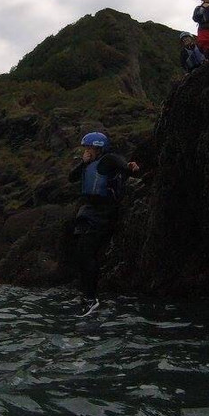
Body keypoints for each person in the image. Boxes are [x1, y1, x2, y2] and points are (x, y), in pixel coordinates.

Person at [67, 132, 139, 315]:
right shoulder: (87, 164)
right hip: (89, 210)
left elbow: (126, 167)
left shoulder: (109, 159)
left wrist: (132, 167)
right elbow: (71, 177)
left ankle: (91, 298)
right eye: (85, 148)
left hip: (104, 211)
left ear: (98, 148)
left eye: (89, 148)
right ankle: (85, 294)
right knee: (81, 252)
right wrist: (83, 162)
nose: (86, 151)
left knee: (88, 251)